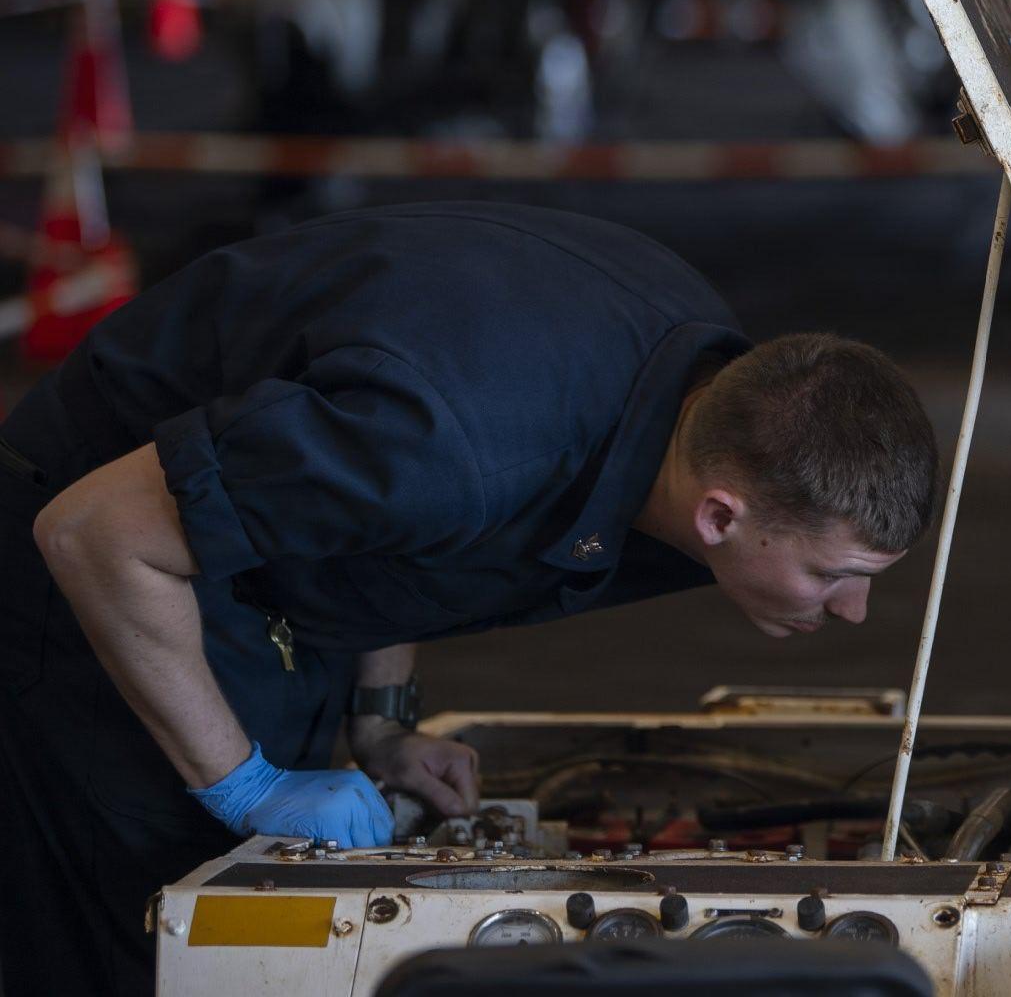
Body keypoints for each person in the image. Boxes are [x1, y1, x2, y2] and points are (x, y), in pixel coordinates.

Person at [0, 201, 939, 995]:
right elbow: (94, 534)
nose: (850, 613)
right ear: (721, 516)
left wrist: (381, 720)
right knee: (157, 934)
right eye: (836, 577)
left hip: (253, 554)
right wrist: (245, 784)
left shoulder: (702, 392)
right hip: (102, 571)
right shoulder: (446, 443)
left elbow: (392, 534)